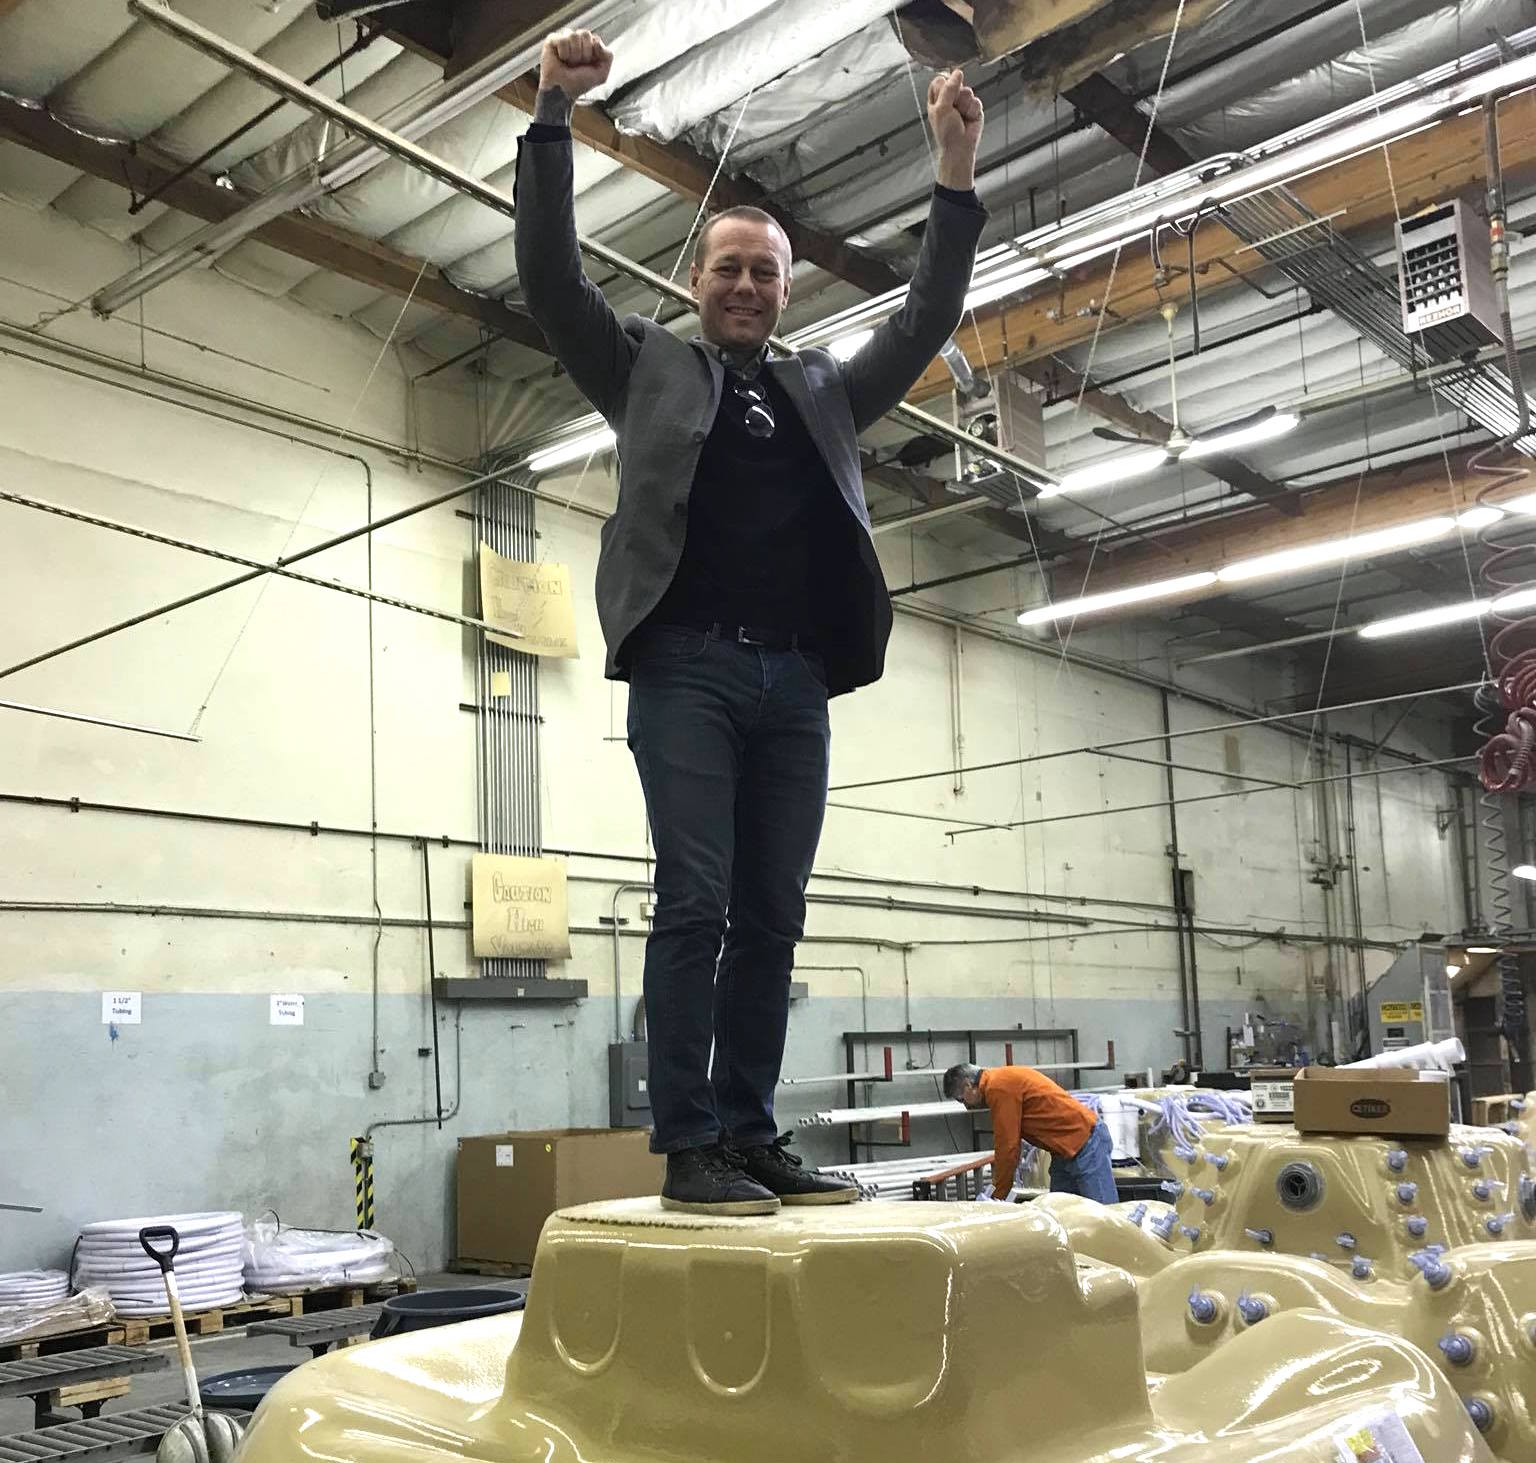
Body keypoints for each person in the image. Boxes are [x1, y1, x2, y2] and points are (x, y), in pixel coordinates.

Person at [517, 29, 986, 1216]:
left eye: (765, 273)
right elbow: (554, 277)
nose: (745, 286)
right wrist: (553, 115)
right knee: (696, 900)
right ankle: (690, 1144)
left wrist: (953, 176)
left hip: (795, 685)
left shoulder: (823, 388)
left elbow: (925, 316)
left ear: (786, 289)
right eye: (727, 267)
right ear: (697, 280)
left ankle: (751, 1132)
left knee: (773, 915)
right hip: (686, 669)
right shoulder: (646, 368)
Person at [943, 1063, 1118, 1203]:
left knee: (1104, 1217)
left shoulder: (998, 1088)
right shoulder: (999, 1081)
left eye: (961, 1099)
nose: (966, 1106)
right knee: (1061, 1216)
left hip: (1085, 1144)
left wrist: (997, 1198)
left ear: (968, 1086)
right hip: (1064, 1151)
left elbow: (1008, 1148)